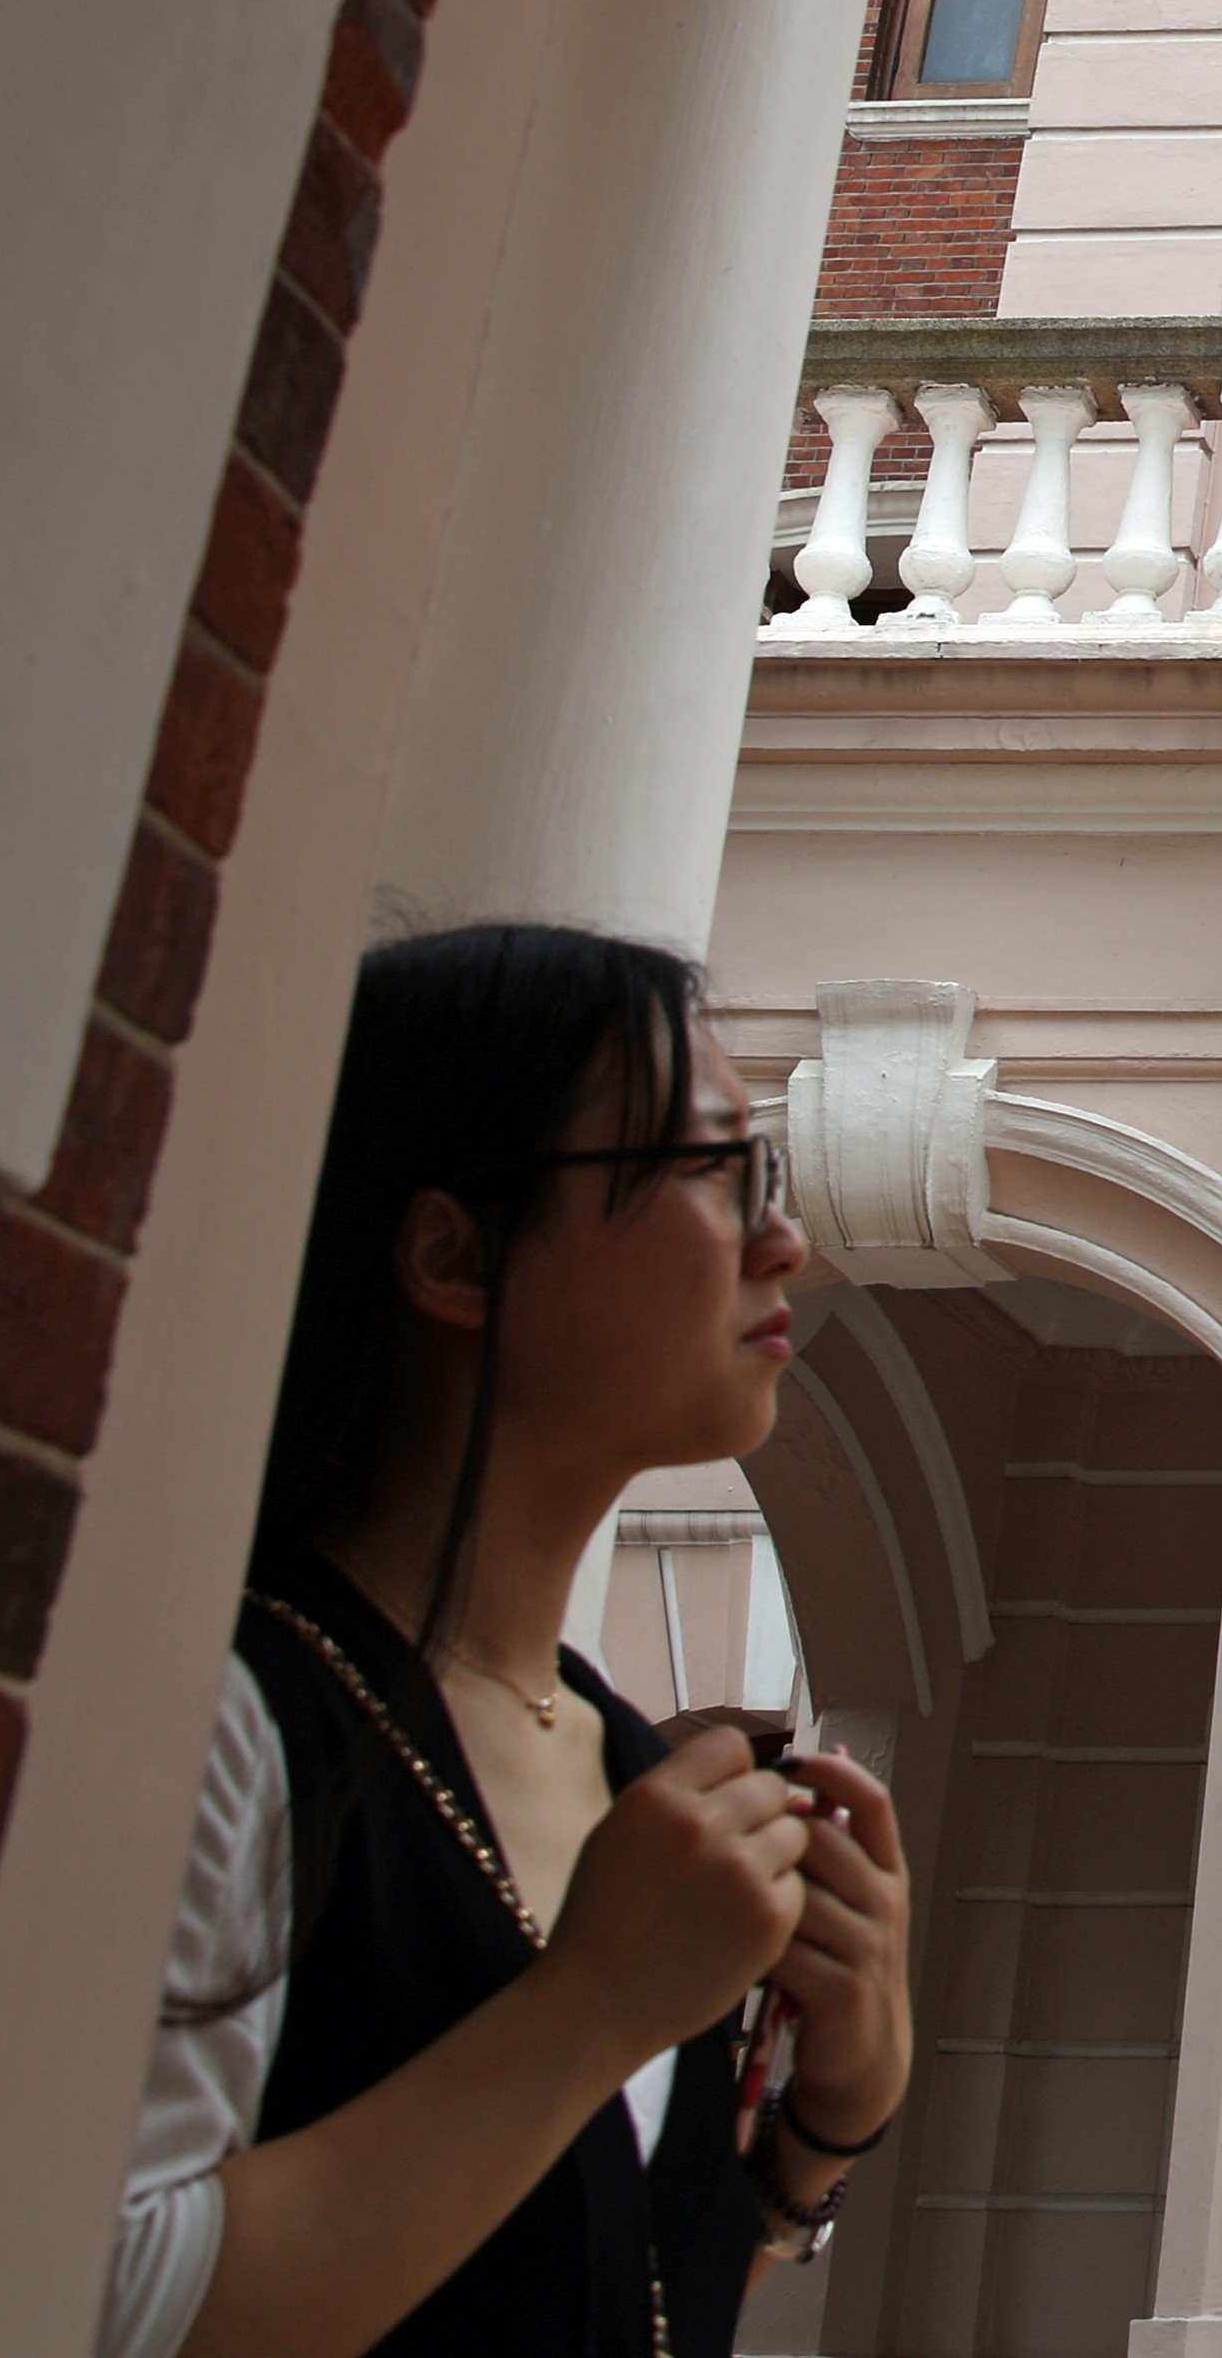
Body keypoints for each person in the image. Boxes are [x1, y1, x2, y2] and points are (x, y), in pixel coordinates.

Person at [108, 924, 917, 2356]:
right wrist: (592, 2007)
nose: (783, 1239)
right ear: (451, 1251)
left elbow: (588, 2286)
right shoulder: (222, 1715)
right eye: (715, 1170)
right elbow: (103, 2301)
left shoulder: (618, 1761)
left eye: (767, 1178)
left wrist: (815, 2132)